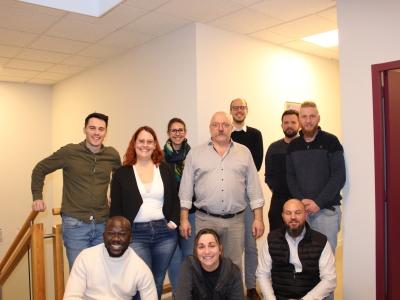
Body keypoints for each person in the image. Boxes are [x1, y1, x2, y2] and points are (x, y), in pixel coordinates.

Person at [31, 112, 121, 270]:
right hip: (75, 225)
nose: (96, 133)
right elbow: (40, 169)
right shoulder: (69, 152)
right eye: (92, 128)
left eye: (101, 129)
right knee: (80, 275)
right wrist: (37, 197)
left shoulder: (111, 155)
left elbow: (119, 177)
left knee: (102, 274)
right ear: (84, 129)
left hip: (102, 224)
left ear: (106, 132)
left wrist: (113, 195)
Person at [179, 111, 265, 275]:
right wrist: (184, 219)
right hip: (205, 219)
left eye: (225, 125)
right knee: (205, 264)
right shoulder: (195, 154)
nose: (220, 129)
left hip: (235, 222)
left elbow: (254, 188)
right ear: (210, 128)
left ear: (231, 128)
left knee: (233, 267)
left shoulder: (244, 152)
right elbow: (185, 190)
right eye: (216, 125)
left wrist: (258, 219)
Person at [110, 126, 180, 300]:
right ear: (134, 144)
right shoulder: (121, 173)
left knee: (156, 281)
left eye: (149, 141)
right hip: (135, 234)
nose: (145, 145)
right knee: (140, 281)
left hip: (165, 233)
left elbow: (175, 198)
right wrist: (122, 234)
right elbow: (116, 209)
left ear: (155, 144)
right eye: (141, 141)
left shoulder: (164, 169)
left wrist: (174, 222)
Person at [286, 101, 346, 255]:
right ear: (300, 120)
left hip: (327, 212)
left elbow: (338, 176)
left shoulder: (331, 141)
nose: (308, 120)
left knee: (326, 261)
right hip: (301, 213)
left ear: (318, 118)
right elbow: (291, 177)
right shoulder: (293, 146)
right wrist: (301, 202)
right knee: (304, 259)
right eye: (304, 117)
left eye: (312, 116)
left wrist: (318, 202)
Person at [256, 199, 336, 300]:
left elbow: (330, 279)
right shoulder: (271, 240)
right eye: (288, 213)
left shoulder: (321, 241)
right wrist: (271, 298)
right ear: (283, 216)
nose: (293, 217)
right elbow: (263, 273)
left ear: (306, 215)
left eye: (298, 212)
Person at [63, 216, 158, 300]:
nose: (116, 239)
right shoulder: (86, 258)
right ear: (104, 236)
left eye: (122, 234)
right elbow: (71, 297)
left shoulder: (141, 269)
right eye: (111, 234)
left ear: (130, 238)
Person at [229, 98, 263, 300]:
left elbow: (256, 165)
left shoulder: (255, 134)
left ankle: (251, 286)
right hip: (229, 197)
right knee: (232, 246)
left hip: (248, 197)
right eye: (235, 107)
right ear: (231, 111)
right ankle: (233, 287)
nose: (239, 111)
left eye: (242, 107)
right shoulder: (225, 132)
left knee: (250, 245)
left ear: (247, 111)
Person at [163, 118, 195, 298]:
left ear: (185, 132)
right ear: (168, 133)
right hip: (168, 214)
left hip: (190, 211)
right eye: (174, 130)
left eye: (180, 130)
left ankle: (187, 292)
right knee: (174, 257)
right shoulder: (159, 156)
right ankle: (177, 294)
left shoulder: (193, 155)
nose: (177, 133)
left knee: (189, 256)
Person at [176, 228, 244, 300]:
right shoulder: (189, 266)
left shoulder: (233, 272)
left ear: (220, 249)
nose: (207, 251)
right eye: (201, 247)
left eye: (212, 246)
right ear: (196, 251)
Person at [265, 109, 300, 231]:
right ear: (281, 125)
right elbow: (268, 175)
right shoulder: (274, 148)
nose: (289, 126)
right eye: (286, 122)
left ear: (299, 124)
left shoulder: (305, 148)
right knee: (277, 239)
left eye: (293, 122)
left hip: (300, 200)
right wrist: (276, 189)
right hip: (278, 202)